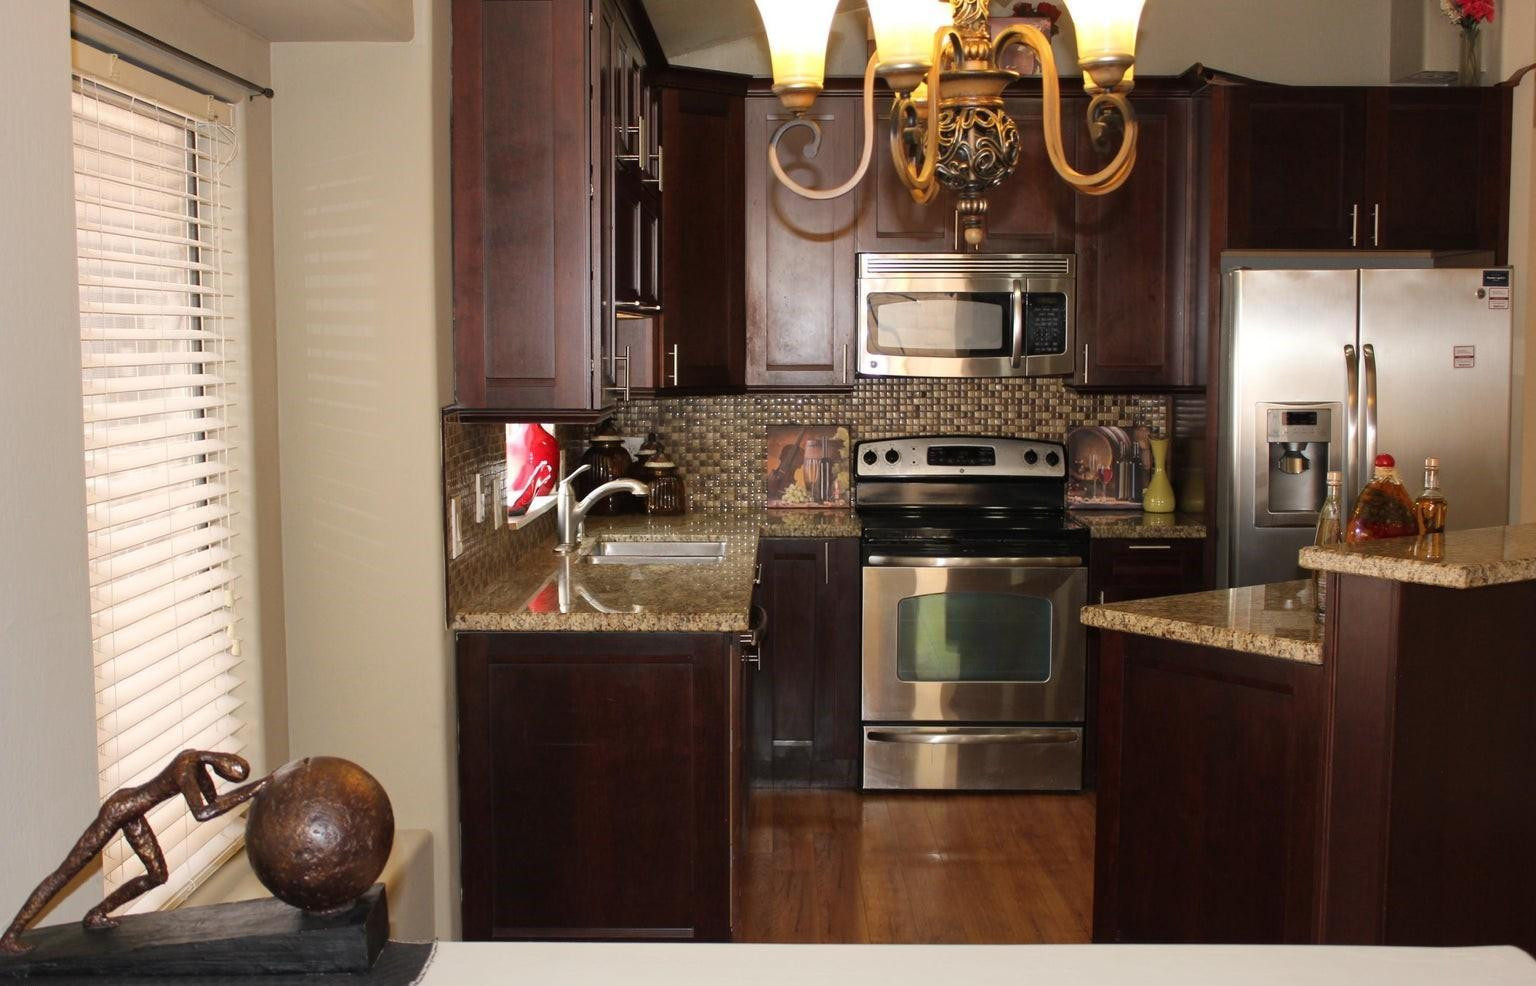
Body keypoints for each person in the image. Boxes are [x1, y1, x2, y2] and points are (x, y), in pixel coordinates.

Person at [0, 750, 268, 956]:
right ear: (222, 766)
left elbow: (214, 802)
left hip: (131, 810)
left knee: (157, 875)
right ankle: (10, 936)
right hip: (118, 811)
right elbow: (203, 813)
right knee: (66, 872)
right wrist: (255, 789)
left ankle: (97, 914)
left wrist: (256, 788)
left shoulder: (198, 761)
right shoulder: (186, 769)